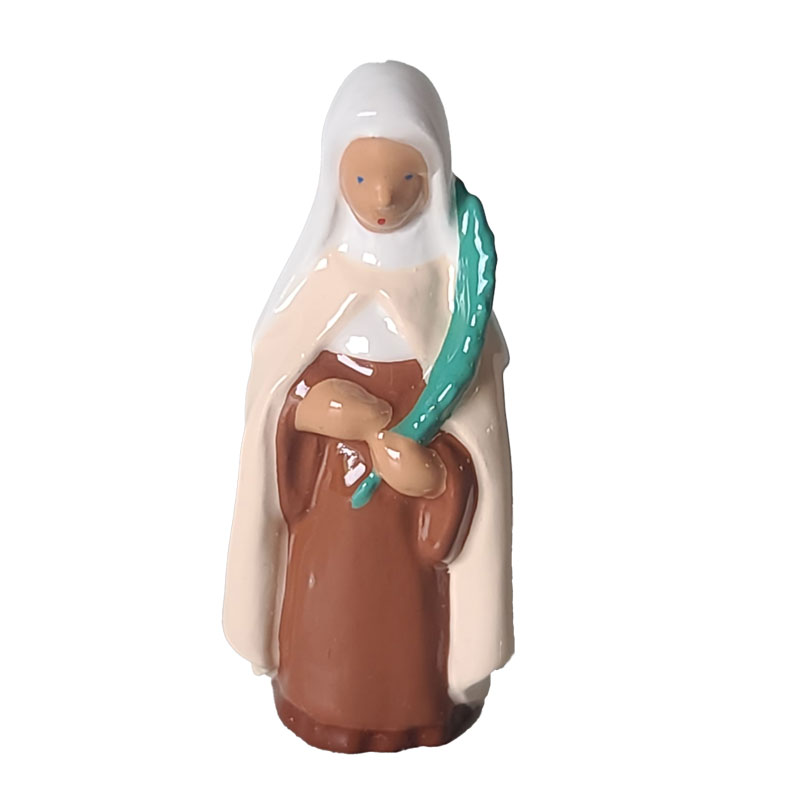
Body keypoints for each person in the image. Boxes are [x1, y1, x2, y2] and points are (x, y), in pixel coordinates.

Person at [222, 60, 513, 753]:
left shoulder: (448, 296)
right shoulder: (315, 285)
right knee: (330, 614)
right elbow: (269, 399)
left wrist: (437, 476)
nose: (382, 197)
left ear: (433, 175)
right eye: (361, 178)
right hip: (330, 519)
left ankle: (419, 709)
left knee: (404, 624)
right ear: (334, 175)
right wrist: (306, 408)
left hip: (410, 529)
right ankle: (319, 698)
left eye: (405, 177)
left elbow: (480, 437)